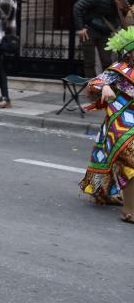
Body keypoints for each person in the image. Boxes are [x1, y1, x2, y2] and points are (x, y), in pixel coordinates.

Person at [80, 25, 134, 222]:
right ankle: (129, 211)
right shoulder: (120, 70)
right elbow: (93, 83)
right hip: (121, 123)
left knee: (105, 157)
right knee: (131, 160)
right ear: (129, 53)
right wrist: (104, 88)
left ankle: (101, 191)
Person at [73, 0, 134, 78]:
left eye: (125, 8)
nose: (123, 9)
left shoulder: (123, 5)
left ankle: (106, 85)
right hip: (88, 30)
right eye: (123, 7)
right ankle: (92, 86)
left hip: (105, 32)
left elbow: (120, 19)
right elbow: (77, 6)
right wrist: (80, 28)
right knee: (89, 62)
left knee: (107, 61)